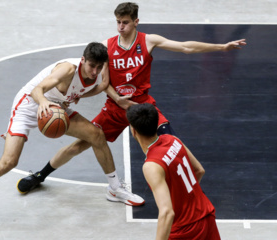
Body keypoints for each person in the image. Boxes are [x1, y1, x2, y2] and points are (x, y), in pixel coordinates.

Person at [19, 2, 246, 194]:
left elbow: (186, 47)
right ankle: (40, 175)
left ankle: (186, 190)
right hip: (116, 108)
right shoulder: (108, 46)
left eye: (125, 22)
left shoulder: (148, 41)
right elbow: (104, 83)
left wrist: (222, 47)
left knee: (172, 145)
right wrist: (117, 99)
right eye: (118, 22)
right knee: (81, 144)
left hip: (143, 107)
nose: (120, 26)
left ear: (136, 21)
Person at [0, 42, 144, 233]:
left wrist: (77, 96)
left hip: (56, 107)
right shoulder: (67, 70)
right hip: (29, 106)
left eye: (99, 67)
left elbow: (101, 86)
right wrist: (42, 103)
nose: (95, 72)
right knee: (8, 161)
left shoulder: (97, 74)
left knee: (97, 135)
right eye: (92, 66)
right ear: (83, 60)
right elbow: (36, 91)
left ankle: (115, 188)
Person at [126, 103, 220, 240]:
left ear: (133, 130)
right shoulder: (173, 140)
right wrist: (185, 199)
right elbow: (199, 170)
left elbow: (167, 212)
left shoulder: (151, 165)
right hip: (206, 216)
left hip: (185, 230)